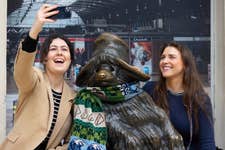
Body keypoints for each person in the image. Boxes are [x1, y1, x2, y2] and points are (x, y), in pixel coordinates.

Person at [68, 33, 185, 150]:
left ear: (124, 72)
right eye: (99, 68)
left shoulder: (139, 95)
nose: (103, 74)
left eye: (111, 68)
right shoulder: (87, 102)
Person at [0, 4, 75, 150]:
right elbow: (22, 69)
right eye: (53, 49)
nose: (59, 53)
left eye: (64, 49)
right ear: (45, 58)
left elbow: (70, 141)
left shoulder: (73, 98)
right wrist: (36, 27)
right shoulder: (34, 79)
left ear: (70, 59)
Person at [143, 42, 216, 150]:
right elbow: (121, 95)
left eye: (171, 57)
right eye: (163, 57)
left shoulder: (200, 99)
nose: (164, 61)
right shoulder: (150, 89)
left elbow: (207, 142)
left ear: (185, 64)